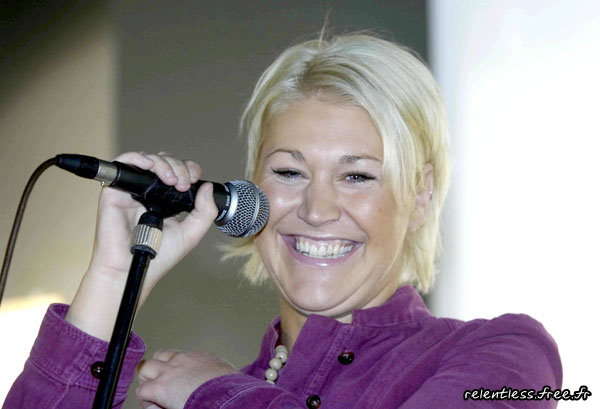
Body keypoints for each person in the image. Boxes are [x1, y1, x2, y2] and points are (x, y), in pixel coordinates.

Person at [3, 32, 561, 409]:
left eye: (357, 175)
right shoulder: (191, 388)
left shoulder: (507, 356)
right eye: (289, 173)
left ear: (420, 195)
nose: (316, 210)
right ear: (250, 192)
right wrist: (112, 280)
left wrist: (214, 394)